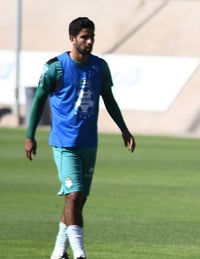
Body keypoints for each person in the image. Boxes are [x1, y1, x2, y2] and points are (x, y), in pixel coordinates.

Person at [25, 17, 136, 259]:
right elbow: (39, 100)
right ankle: (80, 254)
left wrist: (124, 129)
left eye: (91, 37)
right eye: (84, 37)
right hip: (65, 144)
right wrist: (29, 136)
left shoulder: (99, 67)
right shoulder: (55, 67)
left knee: (78, 201)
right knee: (73, 196)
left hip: (89, 144)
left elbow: (109, 99)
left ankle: (57, 252)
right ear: (72, 39)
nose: (89, 41)